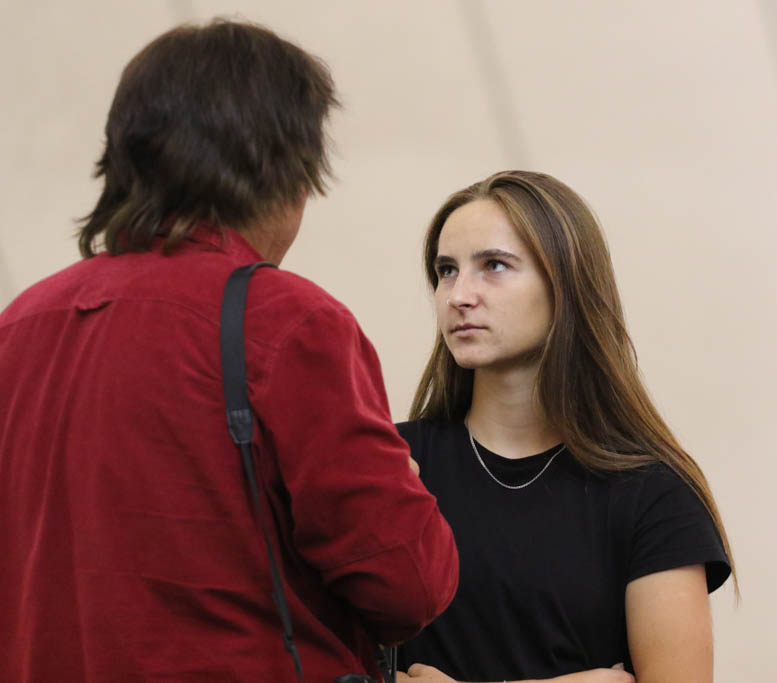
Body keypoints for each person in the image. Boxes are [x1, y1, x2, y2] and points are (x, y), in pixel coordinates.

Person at [0, 20, 458, 682]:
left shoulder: (20, 324)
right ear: (286, 167)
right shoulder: (288, 322)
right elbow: (406, 584)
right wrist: (408, 489)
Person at [395, 171, 734, 683]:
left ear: (566, 284)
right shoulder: (395, 464)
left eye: (494, 266)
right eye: (446, 270)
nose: (458, 295)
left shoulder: (654, 495)